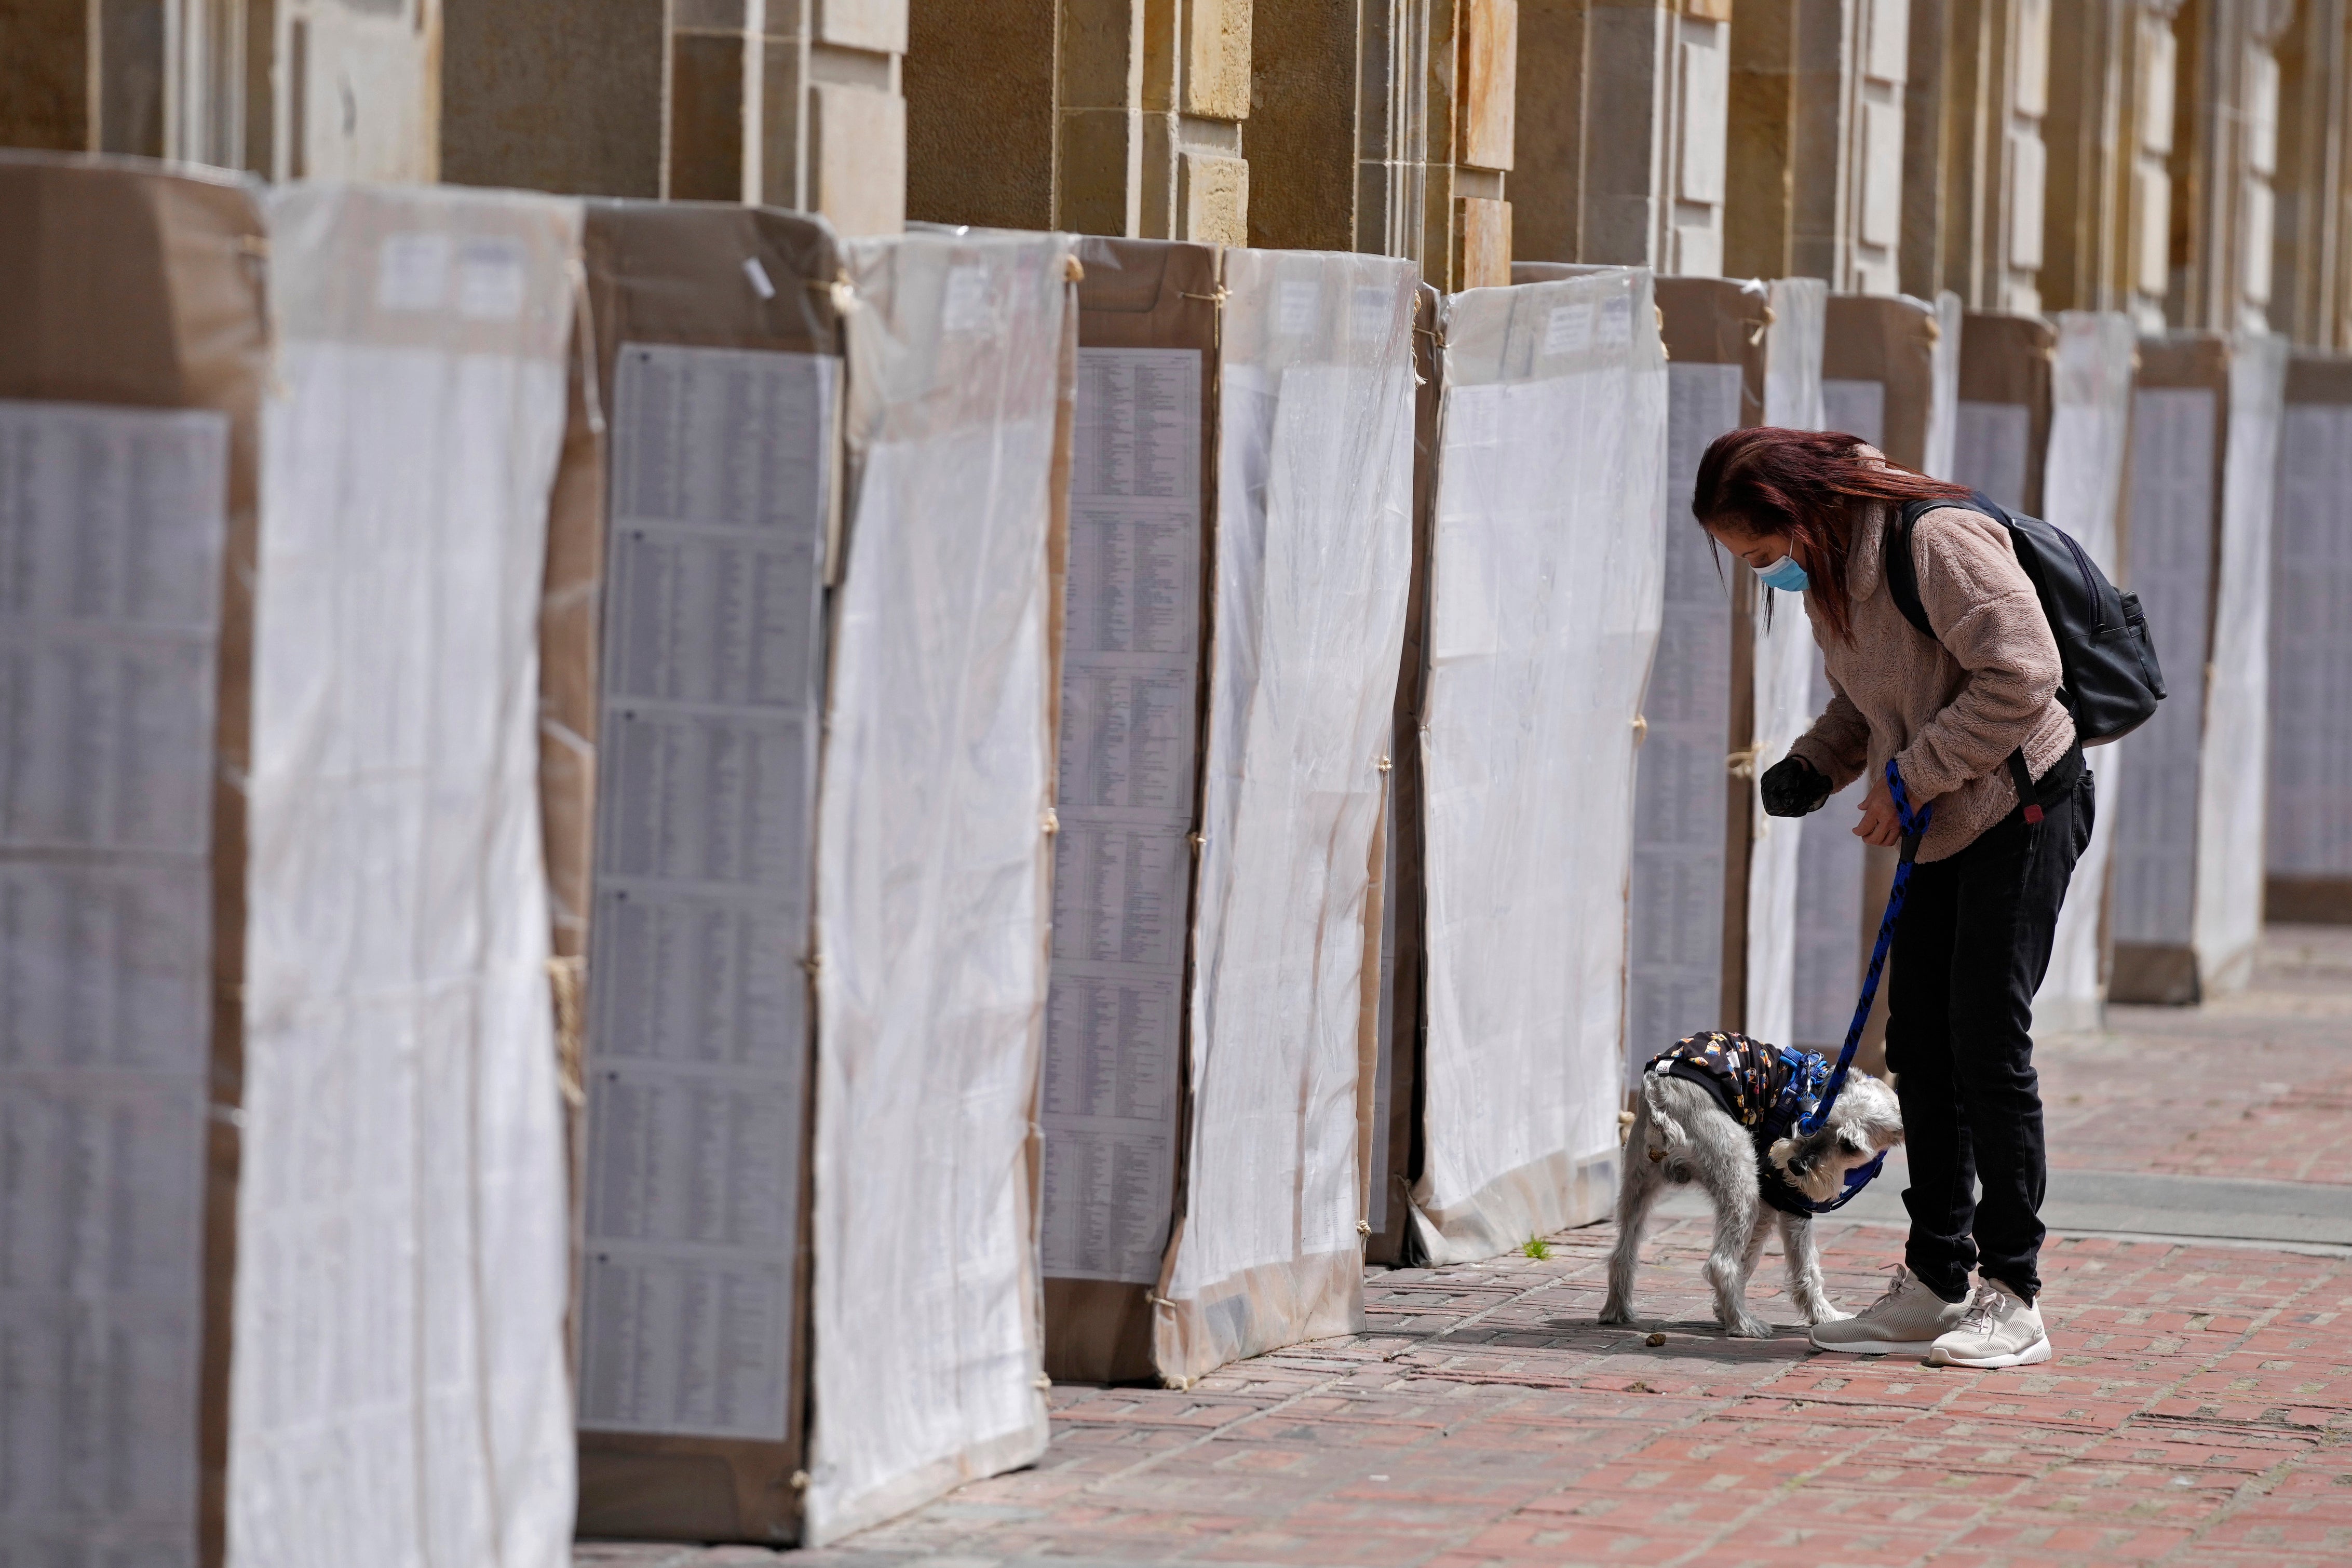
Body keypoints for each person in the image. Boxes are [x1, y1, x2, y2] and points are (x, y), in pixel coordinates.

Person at [1689, 426, 2094, 1370]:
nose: (1762, 573)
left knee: (1985, 1045)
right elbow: (1872, 697)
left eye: (1761, 552)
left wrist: (1911, 775)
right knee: (1919, 1048)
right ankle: (1934, 1280)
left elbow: (2022, 674)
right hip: (1943, 817)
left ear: (1797, 515)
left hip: (2020, 806)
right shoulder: (1831, 572)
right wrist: (1815, 764)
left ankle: (2013, 1297)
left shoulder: (1935, 542)